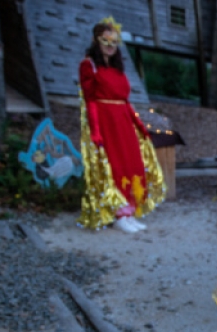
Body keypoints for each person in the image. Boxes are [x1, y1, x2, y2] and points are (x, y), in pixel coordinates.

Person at [78, 18, 165, 232]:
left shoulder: (118, 68)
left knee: (131, 164)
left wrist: (139, 124)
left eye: (114, 41)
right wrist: (96, 130)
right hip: (105, 120)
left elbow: (125, 100)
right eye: (105, 41)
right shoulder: (88, 65)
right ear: (96, 41)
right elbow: (89, 100)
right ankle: (117, 213)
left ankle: (130, 211)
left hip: (123, 121)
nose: (110, 46)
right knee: (114, 165)